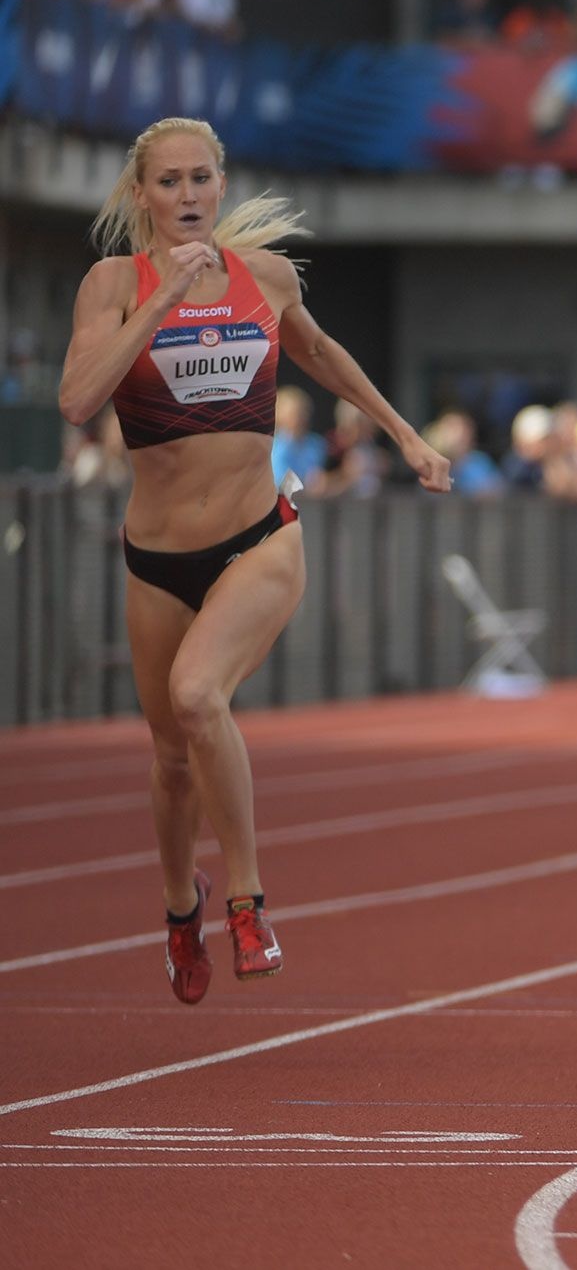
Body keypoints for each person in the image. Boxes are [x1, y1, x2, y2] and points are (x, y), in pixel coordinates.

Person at [56, 117, 450, 1005]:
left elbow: (324, 357)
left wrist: (407, 436)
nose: (188, 196)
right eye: (169, 182)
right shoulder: (114, 284)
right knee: (168, 759)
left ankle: (246, 900)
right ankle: (176, 908)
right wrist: (161, 302)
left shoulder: (263, 278)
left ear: (221, 186)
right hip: (155, 556)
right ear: (140, 195)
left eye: (202, 178)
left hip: (260, 537)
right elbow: (79, 398)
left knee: (200, 698)